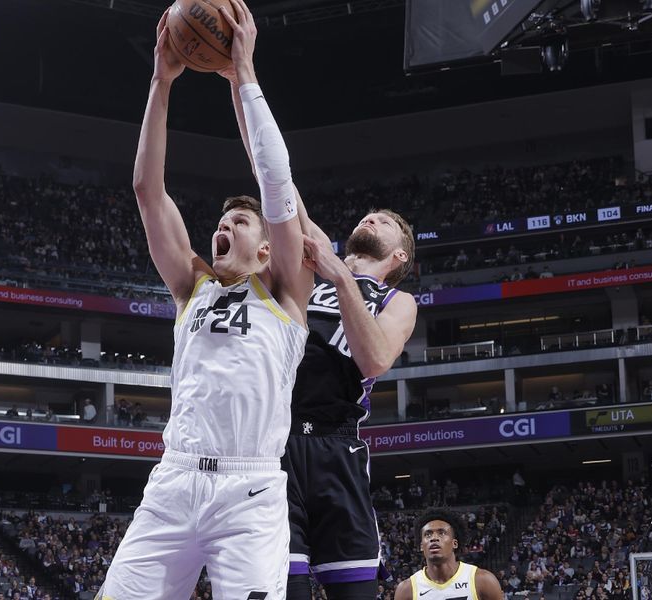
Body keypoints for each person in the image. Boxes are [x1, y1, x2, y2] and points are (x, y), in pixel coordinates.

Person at [96, 2, 311, 599]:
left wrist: (244, 75)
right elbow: (147, 190)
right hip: (175, 480)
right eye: (221, 219)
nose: (225, 225)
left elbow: (277, 184)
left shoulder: (288, 291)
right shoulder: (194, 287)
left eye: (239, 221)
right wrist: (161, 82)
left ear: (267, 248)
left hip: (250, 491)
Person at [224, 38, 417, 600]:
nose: (371, 216)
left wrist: (339, 277)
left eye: (383, 221)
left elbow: (376, 357)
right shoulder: (313, 251)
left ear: (400, 255)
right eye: (369, 213)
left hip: (338, 452)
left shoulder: (396, 301)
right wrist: (240, 77)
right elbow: (272, 175)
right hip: (274, 444)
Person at [394, 509, 504, 600]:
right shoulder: (406, 590)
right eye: (428, 534)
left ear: (454, 543)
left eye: (442, 533)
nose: (434, 538)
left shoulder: (482, 580)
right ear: (421, 546)